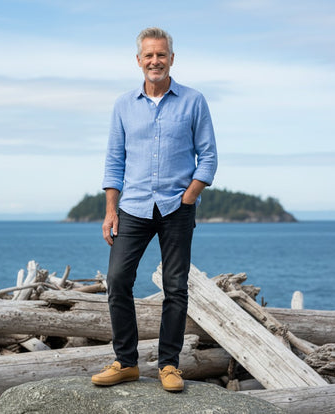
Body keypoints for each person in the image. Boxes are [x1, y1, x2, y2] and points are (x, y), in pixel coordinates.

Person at [91, 27, 217, 392]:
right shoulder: (123, 105)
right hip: (132, 207)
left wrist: (189, 198)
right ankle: (126, 362)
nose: (155, 61)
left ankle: (169, 366)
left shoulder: (194, 101)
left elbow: (207, 157)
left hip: (177, 207)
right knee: (117, 281)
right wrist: (110, 210)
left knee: (175, 288)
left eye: (161, 55)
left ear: (172, 59)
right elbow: (114, 162)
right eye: (148, 55)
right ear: (138, 61)